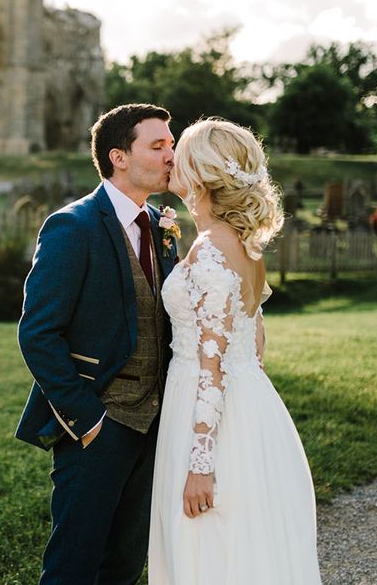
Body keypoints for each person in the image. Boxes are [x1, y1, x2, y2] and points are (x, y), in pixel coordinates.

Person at [148, 117, 321, 584]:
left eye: (179, 152)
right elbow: (255, 342)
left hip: (205, 414)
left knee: (206, 548)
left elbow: (212, 363)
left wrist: (201, 464)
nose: (170, 159)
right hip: (250, 406)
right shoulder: (245, 246)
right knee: (247, 550)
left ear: (201, 174)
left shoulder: (209, 251)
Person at [16, 103, 179, 585]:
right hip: (97, 427)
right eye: (158, 145)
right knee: (73, 566)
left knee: (125, 567)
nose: (172, 155)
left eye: (171, 144)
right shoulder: (73, 226)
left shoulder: (164, 226)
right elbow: (38, 333)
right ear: (119, 157)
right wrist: (87, 423)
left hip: (154, 428)